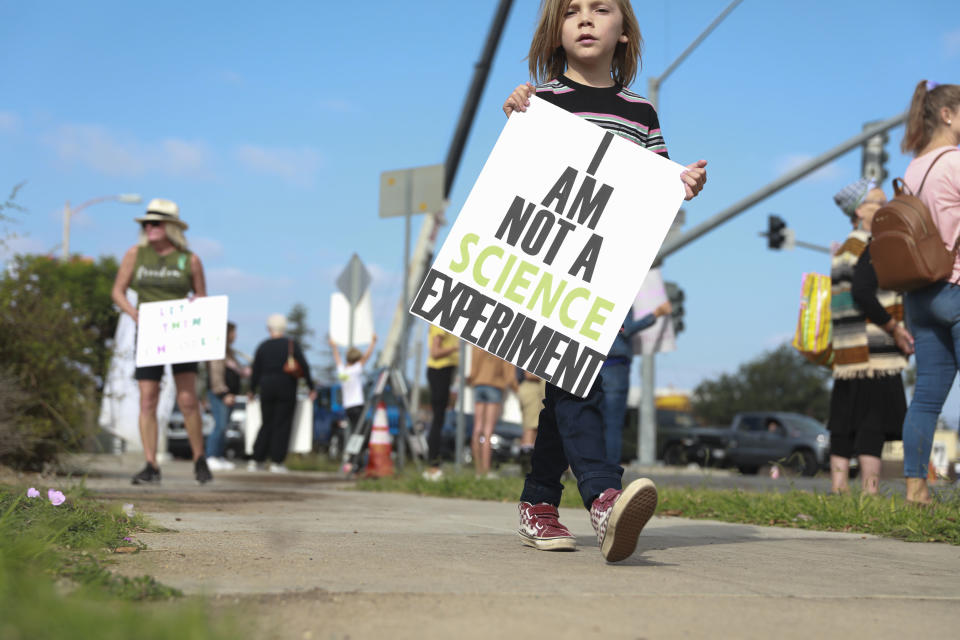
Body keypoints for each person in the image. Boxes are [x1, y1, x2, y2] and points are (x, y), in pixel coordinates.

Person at [502, 0, 707, 561]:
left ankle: (538, 502)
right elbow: (515, 179)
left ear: (623, 32)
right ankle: (603, 498)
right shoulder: (542, 100)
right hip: (546, 268)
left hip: (605, 272)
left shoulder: (640, 111)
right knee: (576, 382)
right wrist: (518, 112)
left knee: (563, 391)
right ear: (556, 31)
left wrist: (681, 181)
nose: (586, 20)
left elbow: (657, 179)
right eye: (572, 12)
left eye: (601, 9)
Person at [111, 198, 213, 485]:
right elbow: (117, 291)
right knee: (148, 398)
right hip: (148, 333)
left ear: (171, 227)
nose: (149, 227)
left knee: (187, 398)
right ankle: (151, 464)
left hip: (181, 333)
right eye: (146, 223)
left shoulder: (189, 259)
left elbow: (202, 298)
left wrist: (196, 307)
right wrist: (135, 315)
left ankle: (199, 459)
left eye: (155, 222)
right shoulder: (136, 254)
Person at [827, 178, 913, 495]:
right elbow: (864, 293)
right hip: (875, 350)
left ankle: (838, 488)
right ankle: (869, 491)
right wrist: (894, 327)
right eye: (878, 201)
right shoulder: (872, 246)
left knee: (842, 422)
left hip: (847, 351)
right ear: (860, 210)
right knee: (871, 424)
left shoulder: (845, 248)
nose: (885, 206)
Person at [899, 80, 960, 504]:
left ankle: (915, 491)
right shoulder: (955, 162)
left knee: (924, 399)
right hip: (955, 286)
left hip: (919, 294)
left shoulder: (914, 168)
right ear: (947, 114)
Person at [601, 301, 671, 466]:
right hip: (615, 368)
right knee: (613, 424)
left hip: (597, 365)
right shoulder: (619, 299)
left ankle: (593, 468)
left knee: (595, 421)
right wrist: (656, 314)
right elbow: (625, 329)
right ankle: (609, 470)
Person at [249, 314, 316, 473]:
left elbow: (255, 370)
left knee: (266, 422)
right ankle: (277, 461)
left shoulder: (263, 346)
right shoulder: (290, 345)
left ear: (269, 328)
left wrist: (252, 389)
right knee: (282, 424)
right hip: (286, 386)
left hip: (266, 387)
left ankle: (257, 459)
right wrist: (311, 387)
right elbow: (304, 367)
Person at [467, 346, 516, 479]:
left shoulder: (477, 344)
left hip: (479, 384)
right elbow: (509, 374)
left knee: (477, 429)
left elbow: (472, 368)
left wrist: (472, 379)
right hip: (494, 386)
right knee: (488, 432)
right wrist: (515, 387)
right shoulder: (502, 346)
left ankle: (478, 470)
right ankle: (486, 470)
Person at [206, 321, 246, 471]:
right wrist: (223, 393)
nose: (235, 336)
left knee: (225, 427)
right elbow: (215, 374)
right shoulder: (218, 351)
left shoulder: (230, 352)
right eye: (233, 332)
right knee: (220, 425)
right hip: (220, 394)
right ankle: (211, 456)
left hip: (230, 394)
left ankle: (219, 455)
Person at [328, 333, 377, 452]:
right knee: (362, 431)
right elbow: (366, 357)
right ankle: (356, 455)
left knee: (355, 430)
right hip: (357, 405)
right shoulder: (355, 370)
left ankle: (353, 454)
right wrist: (373, 343)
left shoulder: (342, 372)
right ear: (357, 360)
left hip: (347, 406)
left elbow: (337, 359)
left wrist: (334, 347)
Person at [423, 326, 459, 481]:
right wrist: (457, 348)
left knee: (440, 419)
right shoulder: (441, 324)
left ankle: (435, 462)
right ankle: (433, 463)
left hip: (445, 371)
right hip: (439, 370)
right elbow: (435, 352)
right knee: (438, 419)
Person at [515, 366, 546, 473]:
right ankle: (527, 467)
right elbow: (530, 374)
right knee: (531, 428)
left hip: (532, 388)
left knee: (534, 428)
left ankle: (530, 466)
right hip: (531, 388)